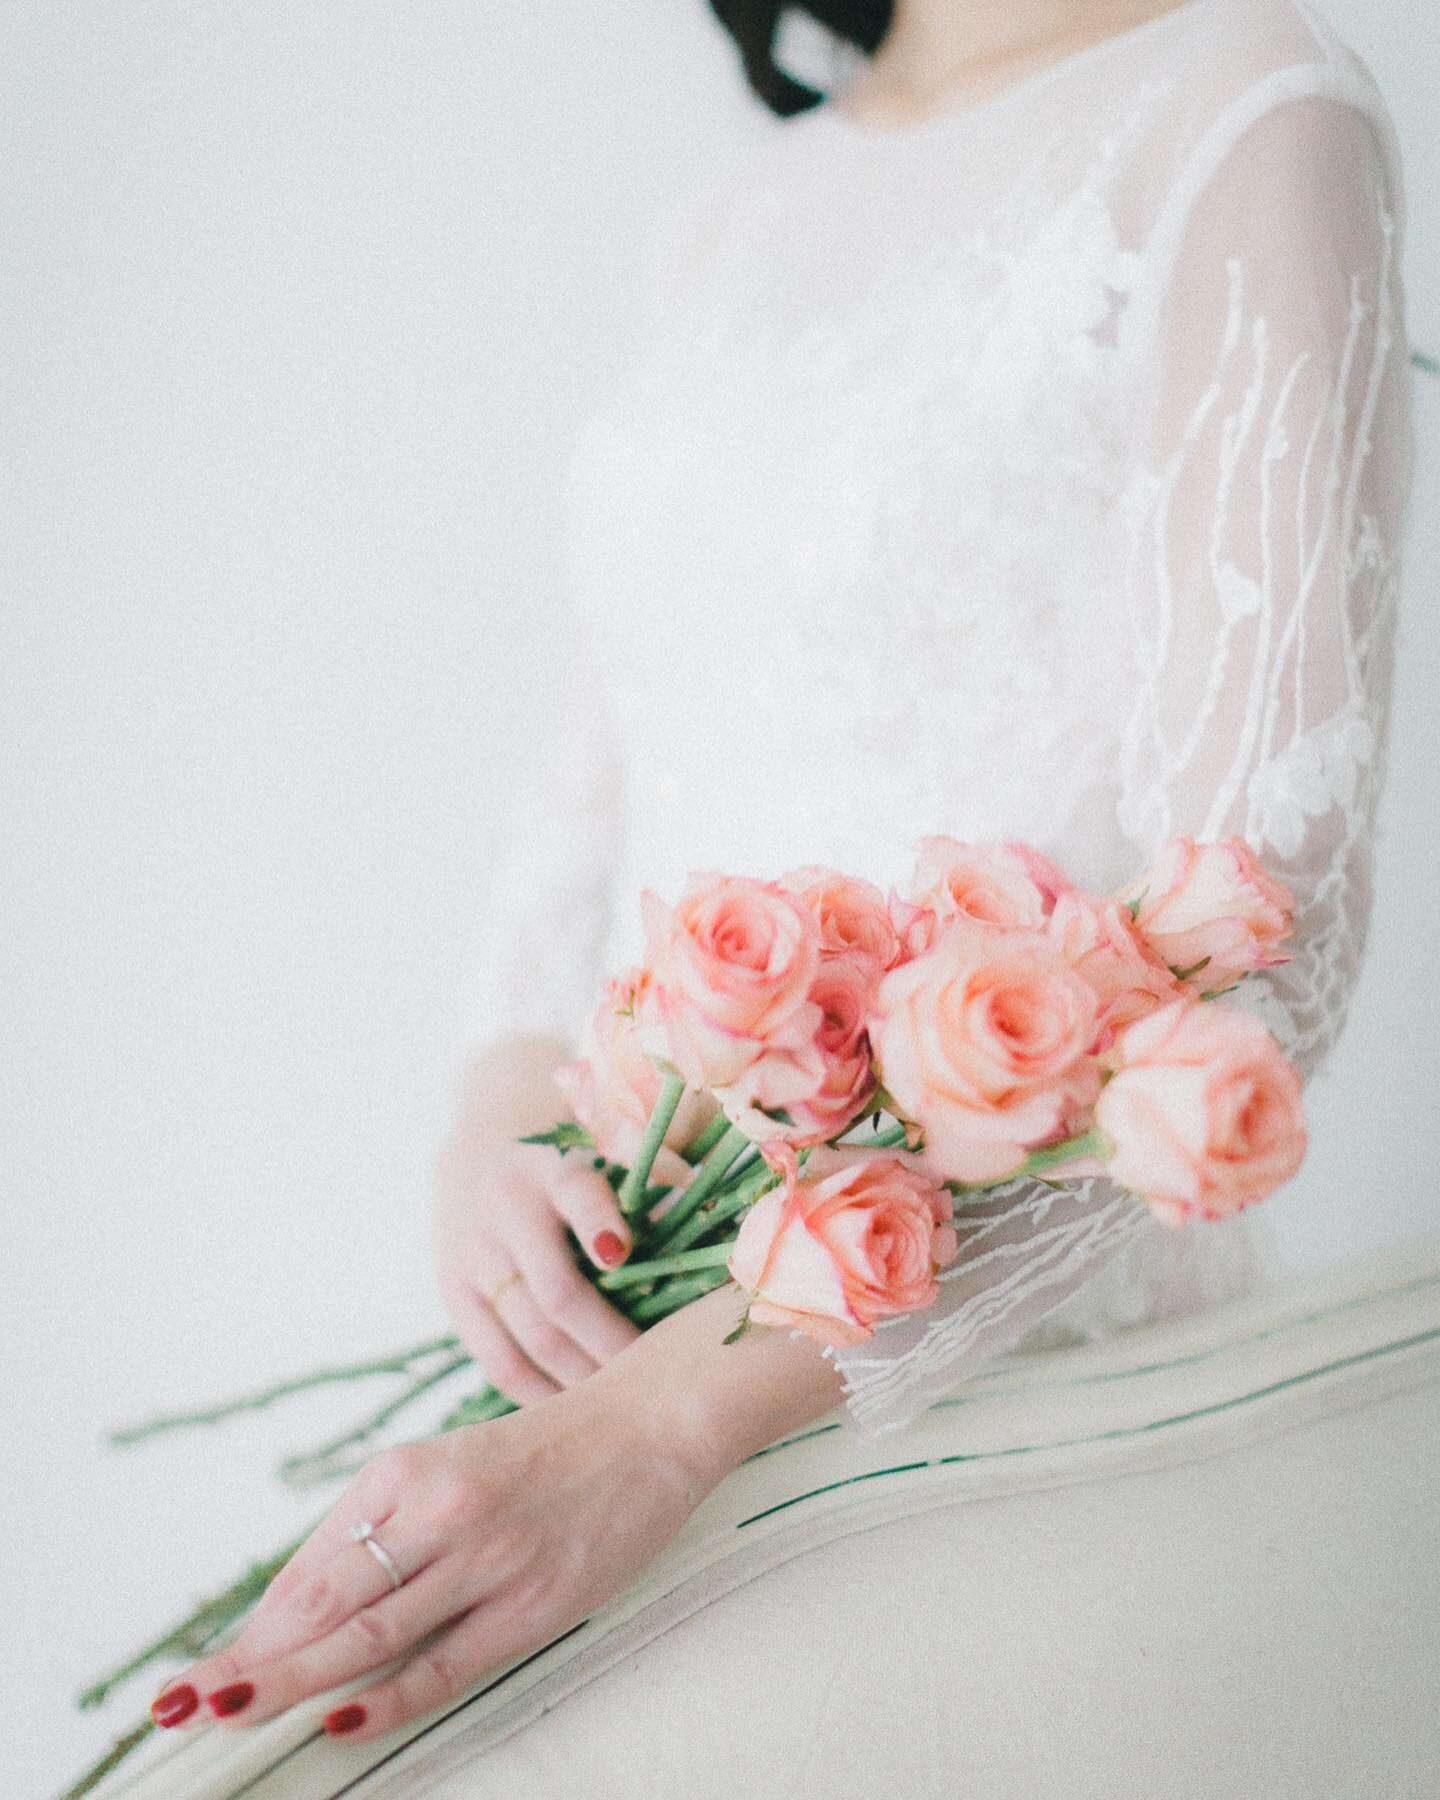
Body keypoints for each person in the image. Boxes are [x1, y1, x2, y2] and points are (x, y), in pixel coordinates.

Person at [150, 0, 1411, 1749]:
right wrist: (506, 1116)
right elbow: (597, 770)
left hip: (991, 1396)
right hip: (616, 1312)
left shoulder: (1247, 107)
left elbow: (1274, 925)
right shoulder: (734, 217)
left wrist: (660, 1428)